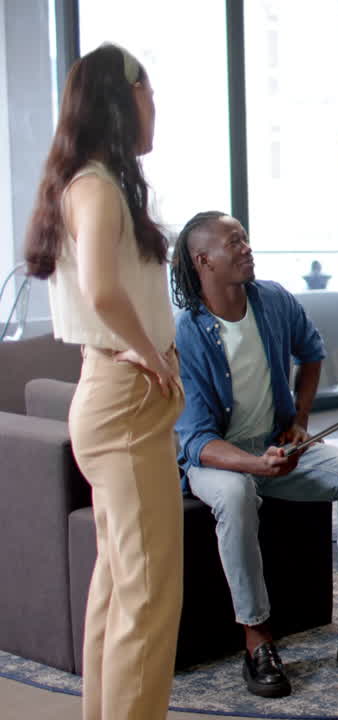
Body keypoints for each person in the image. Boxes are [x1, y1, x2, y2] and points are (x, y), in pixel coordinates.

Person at [171, 211, 338, 699]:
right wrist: (254, 465)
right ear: (203, 261)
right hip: (216, 461)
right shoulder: (188, 332)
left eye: (244, 238)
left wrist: (299, 421)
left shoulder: (273, 300)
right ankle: (258, 641)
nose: (246, 247)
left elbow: (311, 350)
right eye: (233, 242)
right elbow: (195, 440)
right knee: (236, 495)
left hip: (275, 447)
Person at [23, 43, 183, 720]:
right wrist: (151, 355)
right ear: (125, 99)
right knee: (148, 595)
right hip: (123, 396)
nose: (157, 108)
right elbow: (101, 289)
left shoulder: (88, 182)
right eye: (151, 95)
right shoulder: (94, 187)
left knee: (120, 585)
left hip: (112, 394)